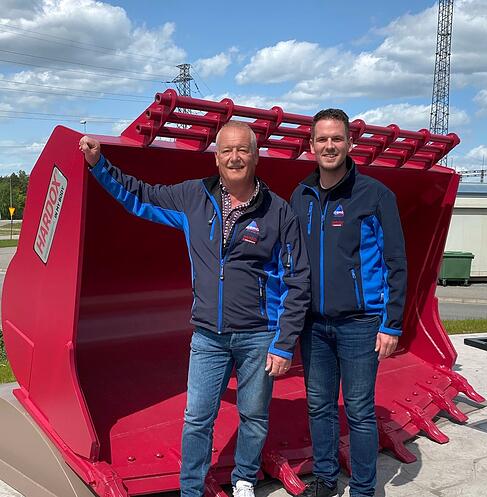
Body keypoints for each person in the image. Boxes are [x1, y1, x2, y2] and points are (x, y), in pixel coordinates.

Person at [79, 121, 310, 497]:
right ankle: (191, 489)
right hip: (208, 336)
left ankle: (244, 479)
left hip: (259, 336)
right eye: (227, 151)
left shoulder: (278, 212)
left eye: (243, 150)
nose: (234, 157)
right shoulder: (193, 197)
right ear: (216, 158)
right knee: (198, 417)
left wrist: (284, 344)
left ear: (256, 157)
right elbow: (141, 196)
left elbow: (297, 281)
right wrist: (99, 165)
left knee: (253, 415)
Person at [290, 109, 407, 497]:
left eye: (336, 139)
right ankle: (325, 481)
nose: (329, 146)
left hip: (360, 324)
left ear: (349, 144)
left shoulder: (375, 195)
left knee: (358, 410)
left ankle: (362, 489)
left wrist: (391, 323)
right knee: (319, 407)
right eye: (322, 139)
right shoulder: (301, 196)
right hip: (313, 325)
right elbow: (290, 259)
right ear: (311, 145)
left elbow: (396, 262)